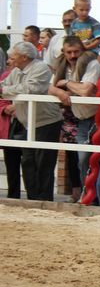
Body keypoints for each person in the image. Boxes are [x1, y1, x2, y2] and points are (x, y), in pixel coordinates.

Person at [0, 42, 63, 201]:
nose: (9, 60)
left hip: (46, 122)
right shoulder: (16, 71)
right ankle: (32, 198)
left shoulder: (41, 68)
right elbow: (5, 86)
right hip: (27, 123)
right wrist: (5, 90)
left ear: (24, 57)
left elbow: (30, 88)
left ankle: (44, 200)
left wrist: (5, 91)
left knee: (44, 164)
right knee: (28, 162)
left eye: (12, 57)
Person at [48, 35, 100, 195]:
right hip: (80, 117)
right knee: (83, 159)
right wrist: (60, 92)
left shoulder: (92, 64)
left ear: (82, 50)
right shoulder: (62, 66)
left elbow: (85, 91)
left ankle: (95, 197)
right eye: (69, 52)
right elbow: (49, 87)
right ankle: (87, 196)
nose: (72, 56)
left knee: (93, 159)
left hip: (99, 117)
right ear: (63, 52)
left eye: (76, 52)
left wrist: (65, 84)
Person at [0, 53, 21, 198]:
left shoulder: (30, 74)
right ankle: (13, 194)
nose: (9, 61)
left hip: (27, 121)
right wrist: (5, 108)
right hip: (10, 124)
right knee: (11, 161)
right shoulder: (5, 76)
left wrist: (18, 107)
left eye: (13, 59)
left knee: (28, 161)